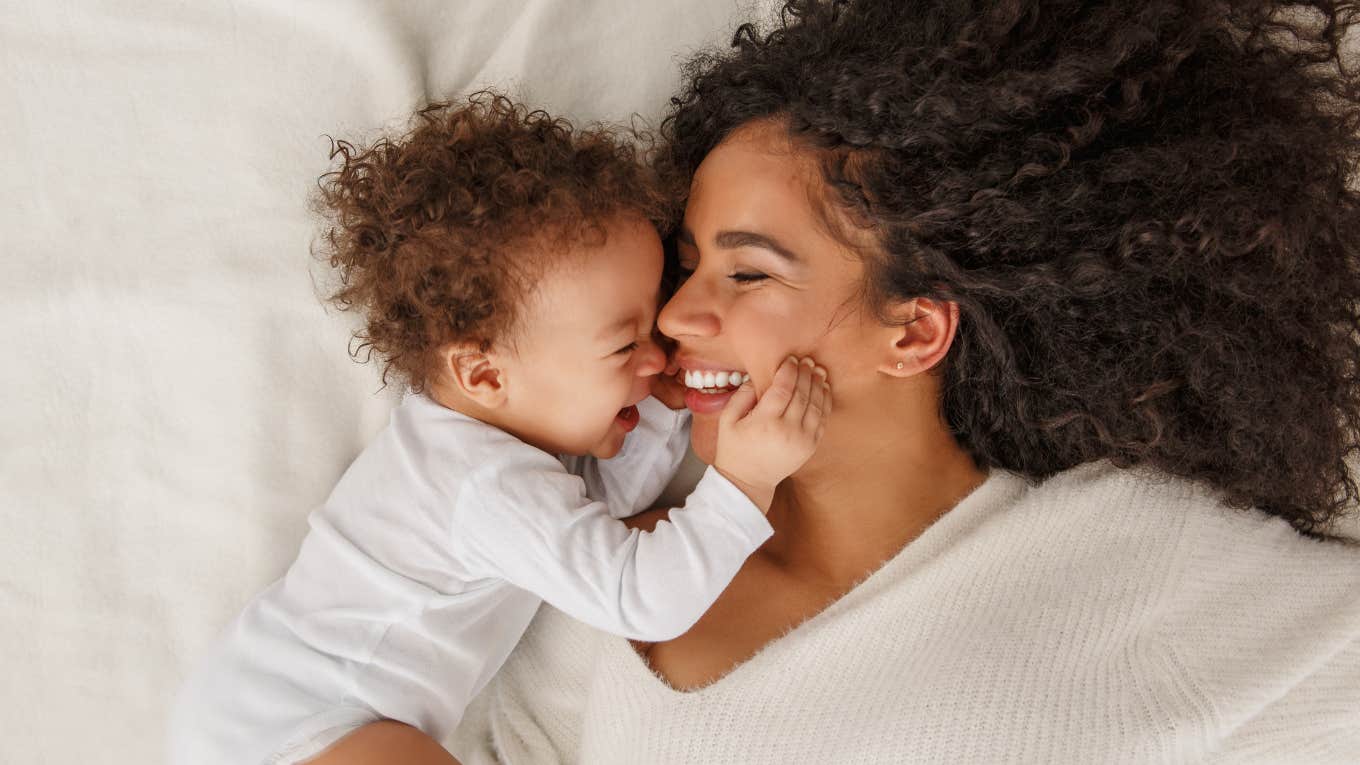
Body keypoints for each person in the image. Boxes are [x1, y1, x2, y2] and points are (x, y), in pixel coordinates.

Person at [438, 1, 1360, 762]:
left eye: (747, 273)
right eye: (687, 268)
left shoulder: (1128, 562)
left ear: (914, 329)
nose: (677, 318)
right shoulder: (604, 562)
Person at [165, 94, 832, 765]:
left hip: (278, 714)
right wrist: (745, 480)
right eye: (624, 346)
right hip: (293, 727)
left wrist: (664, 402)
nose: (658, 355)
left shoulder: (490, 444)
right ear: (484, 375)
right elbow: (638, 594)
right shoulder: (479, 481)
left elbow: (604, 515)